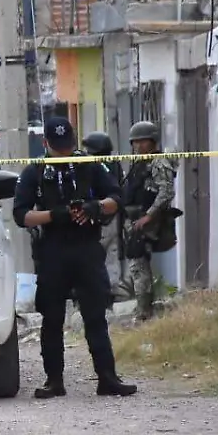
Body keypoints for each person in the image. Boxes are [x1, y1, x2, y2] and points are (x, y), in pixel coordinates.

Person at [13, 117, 137, 399]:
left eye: (67, 146)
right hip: (53, 249)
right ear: (46, 144)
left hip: (86, 248)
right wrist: (54, 215)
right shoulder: (35, 171)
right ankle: (54, 381)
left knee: (95, 316)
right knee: (52, 318)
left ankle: (107, 378)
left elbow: (117, 197)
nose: (63, 152)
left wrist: (95, 207)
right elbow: (21, 215)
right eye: (58, 148)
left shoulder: (89, 164)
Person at [121, 120, 179, 322]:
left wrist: (149, 216)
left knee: (138, 264)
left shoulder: (158, 162)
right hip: (135, 218)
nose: (137, 146)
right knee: (137, 263)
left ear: (152, 141)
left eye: (142, 142)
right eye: (134, 142)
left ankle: (144, 310)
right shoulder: (139, 162)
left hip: (147, 220)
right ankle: (144, 308)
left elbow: (166, 191)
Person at [80, 131, 124, 309]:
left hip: (99, 216)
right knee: (111, 255)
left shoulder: (95, 165)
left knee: (96, 256)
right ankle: (110, 292)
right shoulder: (114, 164)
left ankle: (100, 294)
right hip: (111, 216)